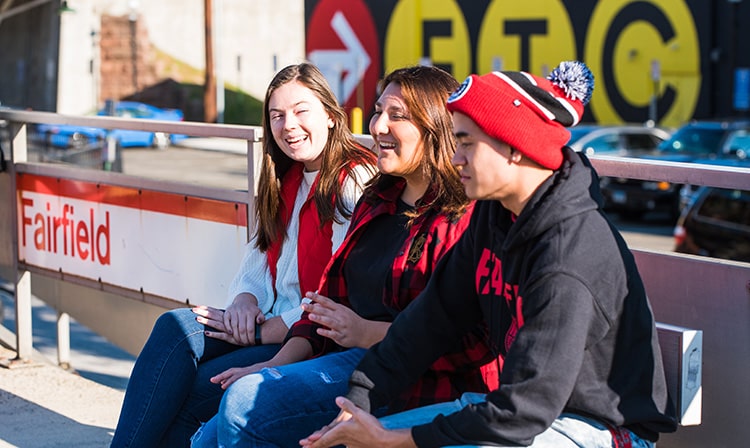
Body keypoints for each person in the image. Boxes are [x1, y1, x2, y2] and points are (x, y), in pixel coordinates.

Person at [301, 61, 678, 448]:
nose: (454, 158)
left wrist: (394, 439)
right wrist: (359, 400)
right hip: (521, 410)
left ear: (513, 148)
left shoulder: (568, 253)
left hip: (599, 427)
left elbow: (524, 412)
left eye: (466, 143)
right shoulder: (495, 215)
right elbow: (433, 318)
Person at [189, 65, 500, 448]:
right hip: (351, 358)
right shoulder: (378, 198)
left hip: (423, 381)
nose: (378, 126)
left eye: (397, 115)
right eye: (378, 111)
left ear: (435, 125)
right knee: (207, 429)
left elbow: (474, 342)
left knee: (243, 403)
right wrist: (272, 366)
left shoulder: (465, 216)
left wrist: (367, 333)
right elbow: (325, 303)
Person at [109, 62, 377, 448]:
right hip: (261, 323)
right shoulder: (283, 175)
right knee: (176, 327)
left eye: (302, 111)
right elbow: (257, 256)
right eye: (277, 116)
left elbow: (340, 286)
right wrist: (243, 300)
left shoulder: (352, 179)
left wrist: (269, 329)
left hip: (307, 335)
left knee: (193, 388)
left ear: (331, 116)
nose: (289, 126)